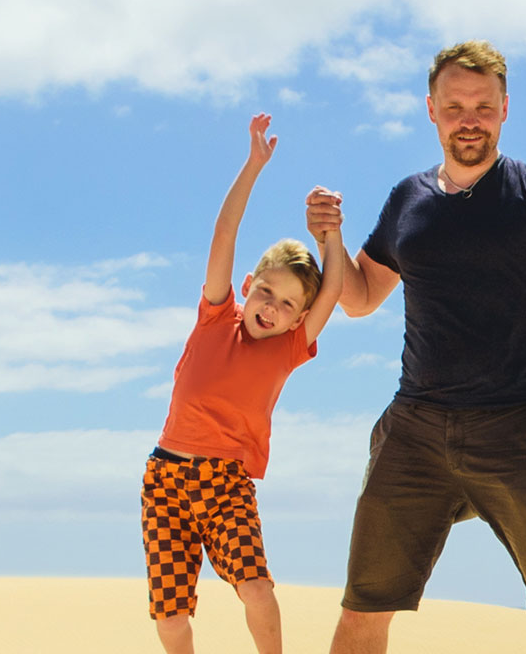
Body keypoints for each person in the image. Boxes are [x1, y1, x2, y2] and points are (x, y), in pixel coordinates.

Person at [307, 40, 526, 654]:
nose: (469, 120)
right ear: (432, 110)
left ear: (505, 108)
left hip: (516, 430)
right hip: (415, 429)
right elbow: (360, 296)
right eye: (455, 107)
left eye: (483, 106)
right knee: (361, 613)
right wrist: (330, 239)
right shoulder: (407, 198)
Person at [142, 113, 353, 654]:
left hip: (226, 485)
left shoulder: (289, 347)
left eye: (287, 305)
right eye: (265, 292)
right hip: (165, 480)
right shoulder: (216, 315)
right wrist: (254, 165)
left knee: (257, 588)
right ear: (246, 285)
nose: (272, 308)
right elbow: (224, 233)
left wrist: (330, 234)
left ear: (298, 318)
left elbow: (331, 290)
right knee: (171, 617)